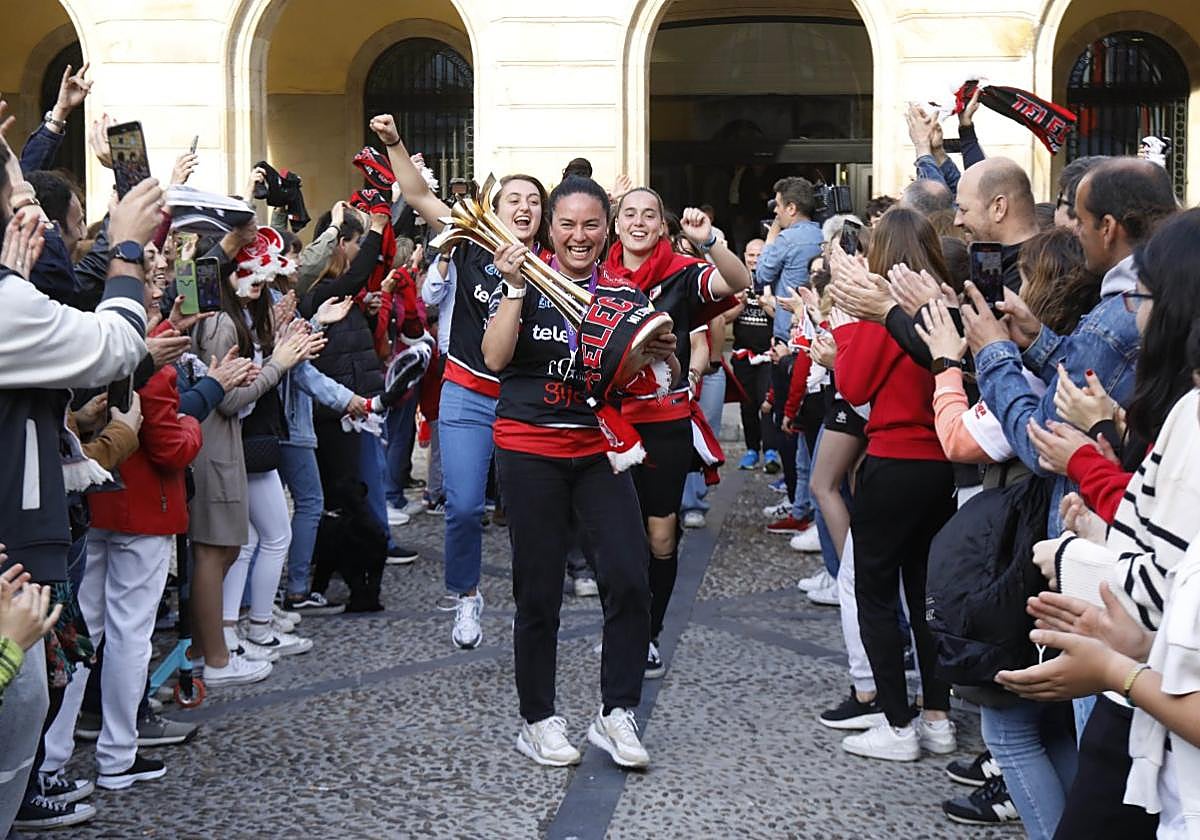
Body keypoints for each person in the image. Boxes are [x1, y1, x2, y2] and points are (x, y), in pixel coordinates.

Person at [482, 175, 668, 769]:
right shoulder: (521, 275)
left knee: (629, 576)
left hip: (596, 451)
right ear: (550, 226)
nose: (579, 236)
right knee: (538, 591)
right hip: (529, 446)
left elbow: (637, 373)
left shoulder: (622, 291)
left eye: (591, 224)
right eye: (567, 224)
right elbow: (494, 358)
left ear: (606, 227)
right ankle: (537, 719)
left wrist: (649, 354)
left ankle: (617, 713)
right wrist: (512, 290)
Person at [0, 155, 161, 830]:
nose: (26, 201)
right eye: (15, 187)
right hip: (15, 553)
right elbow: (118, 345)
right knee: (19, 711)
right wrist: (124, 243)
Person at [371, 112, 551, 650]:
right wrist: (396, 142)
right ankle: (467, 594)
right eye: (513, 199)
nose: (523, 207)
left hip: (524, 401)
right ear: (494, 209)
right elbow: (418, 193)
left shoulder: (552, 263)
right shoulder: (470, 242)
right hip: (468, 393)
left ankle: (531, 603)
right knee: (466, 504)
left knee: (526, 514)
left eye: (533, 201)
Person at [39, 254, 204, 793]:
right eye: (152, 292)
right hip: (142, 512)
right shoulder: (145, 360)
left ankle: (52, 758)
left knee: (81, 635)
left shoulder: (91, 344)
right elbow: (170, 446)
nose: (160, 297)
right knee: (128, 635)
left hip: (97, 502)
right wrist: (192, 426)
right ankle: (116, 754)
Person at [829, 208, 958, 762]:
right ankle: (937, 716)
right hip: (943, 464)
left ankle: (896, 721)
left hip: (893, 459)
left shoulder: (881, 311)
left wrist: (847, 322)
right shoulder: (946, 305)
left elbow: (853, 385)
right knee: (925, 595)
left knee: (874, 593)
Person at [604, 186, 749, 678]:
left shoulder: (682, 275)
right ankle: (621, 626)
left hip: (664, 424)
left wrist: (709, 242)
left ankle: (649, 632)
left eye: (649, 214)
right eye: (629, 214)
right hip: (608, 423)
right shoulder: (594, 275)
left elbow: (738, 280)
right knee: (617, 537)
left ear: (663, 226)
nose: (639, 222)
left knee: (660, 537)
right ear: (616, 222)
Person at [187, 224, 323, 688]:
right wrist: (278, 362)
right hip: (221, 446)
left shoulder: (226, 313)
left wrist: (276, 337)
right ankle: (224, 649)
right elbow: (228, 397)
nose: (264, 290)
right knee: (223, 549)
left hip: (225, 444)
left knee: (233, 546)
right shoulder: (220, 320)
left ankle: (226, 642)